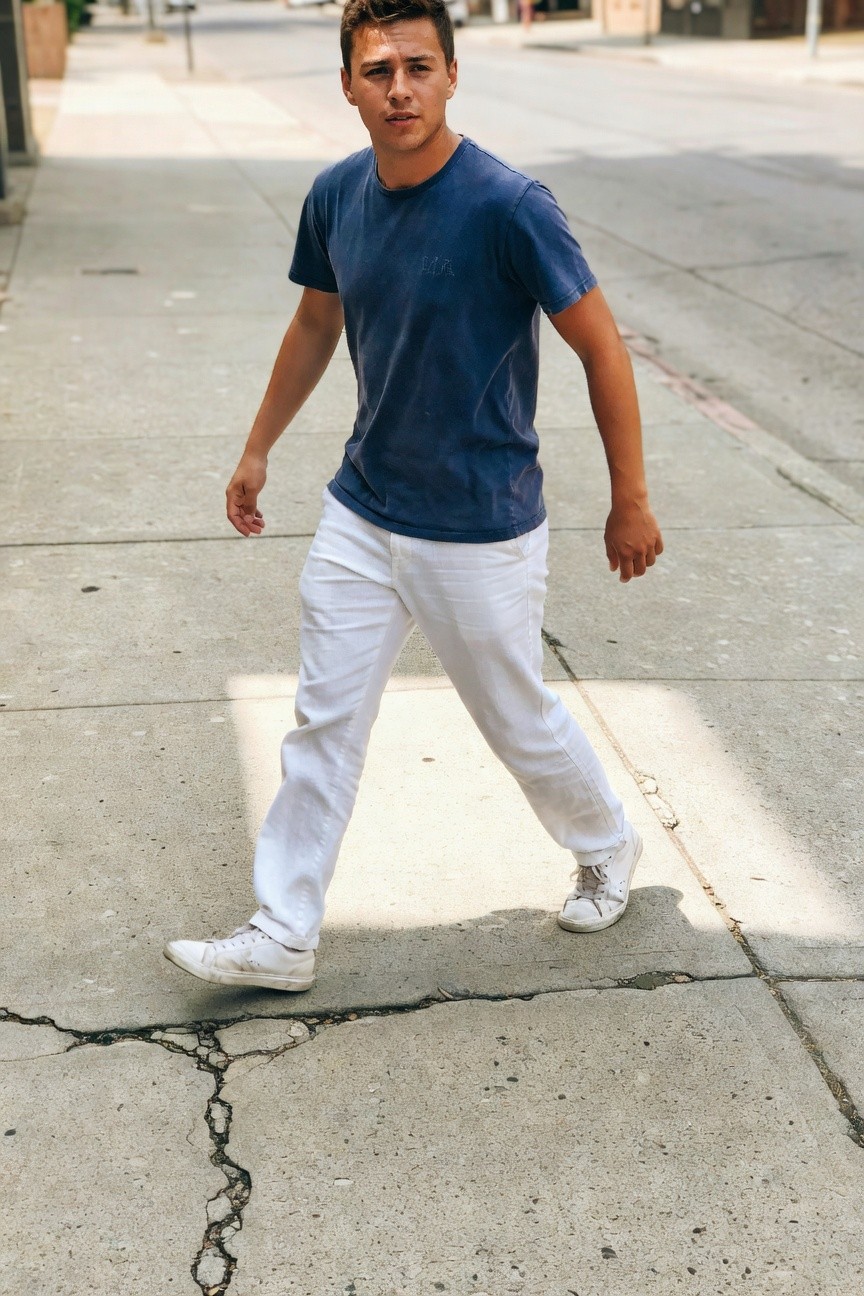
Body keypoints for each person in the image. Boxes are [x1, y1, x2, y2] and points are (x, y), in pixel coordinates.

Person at [164, 0, 663, 993]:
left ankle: (606, 841)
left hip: (478, 526)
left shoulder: (509, 206)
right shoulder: (337, 194)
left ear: (452, 74)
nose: (401, 87)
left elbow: (602, 347)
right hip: (364, 508)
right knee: (322, 724)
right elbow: (315, 323)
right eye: (379, 69)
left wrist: (630, 498)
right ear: (348, 84)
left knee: (514, 716)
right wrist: (257, 448)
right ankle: (284, 927)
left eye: (419, 66)